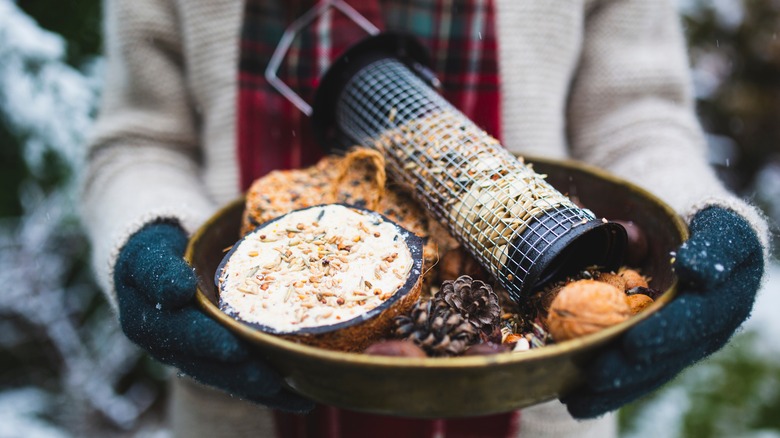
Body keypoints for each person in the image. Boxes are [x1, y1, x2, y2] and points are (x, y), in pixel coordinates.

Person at [80, 0, 769, 436]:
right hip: (248, 405)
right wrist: (149, 235)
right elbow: (141, 140)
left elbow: (635, 116)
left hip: (528, 401)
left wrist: (698, 216)